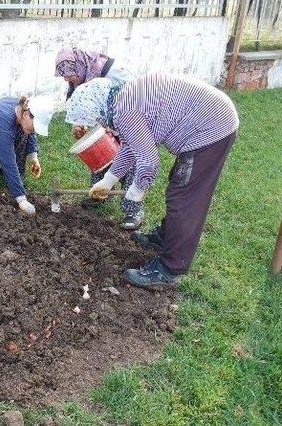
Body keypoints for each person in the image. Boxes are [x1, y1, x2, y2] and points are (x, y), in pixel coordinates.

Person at [66, 75, 239, 289]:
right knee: (179, 186)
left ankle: (169, 269)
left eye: (96, 119)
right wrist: (108, 181)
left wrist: (135, 193)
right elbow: (131, 145)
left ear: (98, 109)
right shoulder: (122, 99)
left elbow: (149, 162)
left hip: (212, 128)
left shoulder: (124, 111)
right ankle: (165, 238)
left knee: (184, 197)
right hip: (212, 116)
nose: (99, 124)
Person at [55, 47, 143, 229]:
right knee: (99, 152)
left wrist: (111, 129)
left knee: (130, 160)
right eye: (63, 76)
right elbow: (81, 100)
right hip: (108, 118)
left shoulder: (115, 74)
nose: (66, 79)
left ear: (77, 67)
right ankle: (100, 195)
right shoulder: (84, 78)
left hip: (131, 119)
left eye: (68, 74)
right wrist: (80, 123)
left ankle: (133, 211)